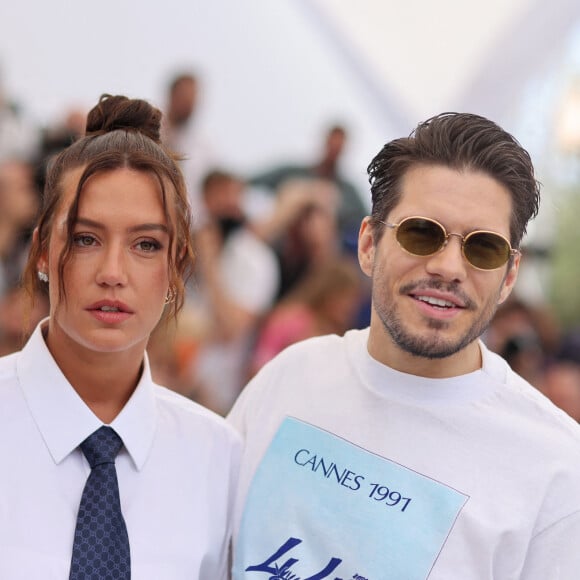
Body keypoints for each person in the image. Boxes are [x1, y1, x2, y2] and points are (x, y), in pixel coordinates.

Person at [227, 112, 580, 579]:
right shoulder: (291, 376)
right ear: (369, 244)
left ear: (509, 275)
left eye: (483, 248)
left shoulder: (555, 468)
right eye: (422, 233)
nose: (450, 267)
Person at [0, 94, 240, 578]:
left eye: (146, 245)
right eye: (86, 239)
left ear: (176, 267)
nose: (113, 273)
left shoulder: (218, 458)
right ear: (43, 250)